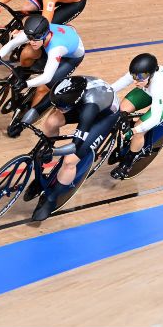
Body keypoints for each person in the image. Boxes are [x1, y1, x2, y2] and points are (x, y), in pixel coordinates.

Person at [27, 76, 121, 222]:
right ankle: (45, 162)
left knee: (70, 160)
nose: (58, 109)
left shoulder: (89, 109)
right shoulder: (63, 89)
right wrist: (21, 123)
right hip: (84, 102)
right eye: (57, 105)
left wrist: (54, 152)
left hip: (103, 116)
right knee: (51, 121)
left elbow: (75, 145)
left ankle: (51, 198)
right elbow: (39, 108)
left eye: (62, 107)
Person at [0, 15, 85, 137]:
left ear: (45, 33)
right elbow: (13, 43)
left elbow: (47, 77)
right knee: (27, 52)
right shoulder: (35, 32)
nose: (32, 42)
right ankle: (24, 74)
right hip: (54, 42)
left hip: (69, 58)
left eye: (36, 39)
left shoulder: (57, 48)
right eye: (30, 38)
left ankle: (26, 121)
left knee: (43, 88)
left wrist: (26, 84)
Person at [109, 53, 163, 178]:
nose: (135, 81)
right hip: (147, 91)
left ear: (151, 75)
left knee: (139, 130)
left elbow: (155, 118)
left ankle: (127, 164)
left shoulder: (159, 85)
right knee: (121, 110)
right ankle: (126, 141)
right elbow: (115, 87)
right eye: (133, 76)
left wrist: (135, 130)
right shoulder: (139, 73)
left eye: (140, 78)